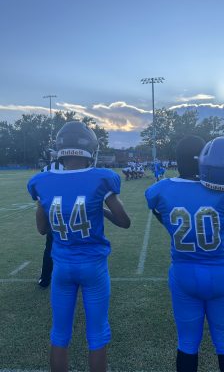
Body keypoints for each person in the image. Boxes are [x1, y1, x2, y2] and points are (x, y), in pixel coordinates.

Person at [27, 121, 130, 372]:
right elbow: (124, 221)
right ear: (90, 150)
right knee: (97, 333)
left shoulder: (42, 181)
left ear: (60, 150)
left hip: (62, 266)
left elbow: (42, 229)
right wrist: (101, 210)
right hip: (93, 266)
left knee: (60, 334)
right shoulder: (101, 178)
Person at [145, 135, 224, 372]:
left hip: (184, 274)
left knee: (187, 344)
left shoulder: (160, 190)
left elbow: (160, 214)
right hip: (222, 273)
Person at [38, 156, 64, 288]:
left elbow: (40, 194)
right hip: (72, 209)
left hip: (52, 210)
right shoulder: (73, 167)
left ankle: (45, 278)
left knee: (50, 247)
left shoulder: (45, 170)